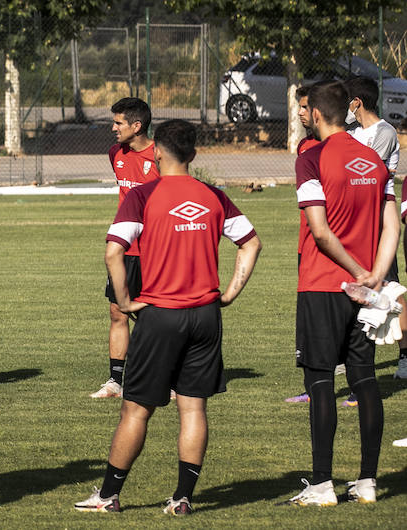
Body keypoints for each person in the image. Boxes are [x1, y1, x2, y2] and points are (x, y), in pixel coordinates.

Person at [73, 119, 261, 515]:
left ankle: (108, 496)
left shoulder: (144, 194)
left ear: (156, 150)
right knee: (193, 408)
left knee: (136, 409)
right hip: (206, 315)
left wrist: (124, 301)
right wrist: (229, 292)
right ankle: (183, 498)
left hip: (161, 314)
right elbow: (250, 243)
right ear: (193, 154)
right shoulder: (213, 195)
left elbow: (113, 251)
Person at [282, 81, 396, 506]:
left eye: (305, 109)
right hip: (364, 291)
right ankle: (367, 481)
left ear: (315, 114)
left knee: (321, 382)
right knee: (365, 380)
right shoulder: (373, 158)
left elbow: (320, 231)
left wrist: (357, 271)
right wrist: (377, 274)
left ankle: (322, 484)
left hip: (323, 284)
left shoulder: (311, 158)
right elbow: (392, 225)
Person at [94, 97, 158, 399]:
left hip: (156, 252)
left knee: (157, 317)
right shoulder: (115, 154)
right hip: (124, 251)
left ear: (137, 125)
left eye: (118, 122)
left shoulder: (161, 156)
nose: (113, 128)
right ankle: (115, 381)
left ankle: (166, 378)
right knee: (118, 312)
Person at [345, 77, 405, 390]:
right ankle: (353, 355)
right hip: (356, 222)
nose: (344, 108)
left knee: (390, 291)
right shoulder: (351, 132)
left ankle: (405, 353)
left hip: (381, 221)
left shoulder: (384, 132)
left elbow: (365, 171)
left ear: (357, 102)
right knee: (358, 287)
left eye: (348, 101)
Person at [284, 83, 329, 405]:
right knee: (309, 322)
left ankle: (356, 386)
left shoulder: (340, 147)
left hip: (332, 245)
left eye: (303, 107)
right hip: (306, 244)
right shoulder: (303, 146)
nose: (299, 113)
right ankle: (313, 388)